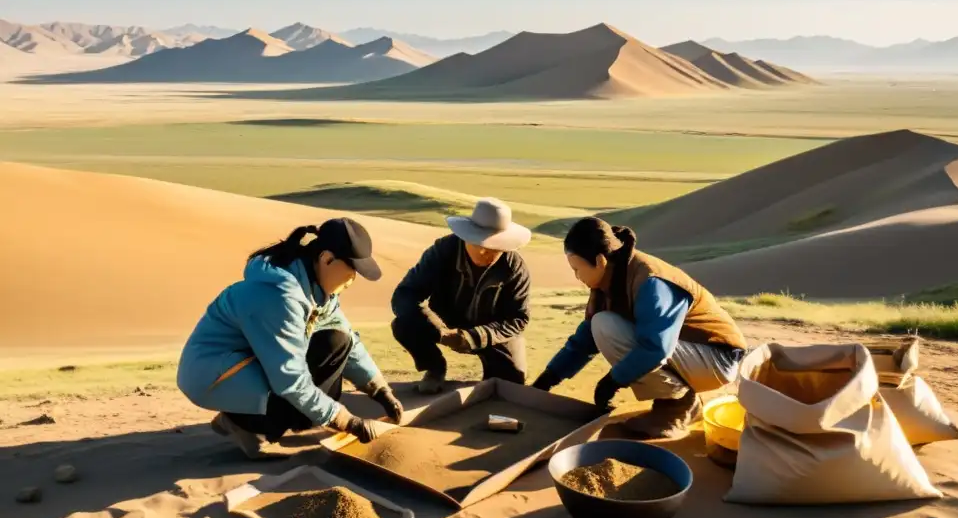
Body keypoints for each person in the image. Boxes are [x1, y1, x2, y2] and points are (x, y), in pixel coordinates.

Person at [177, 218, 404, 459]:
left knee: (338, 344)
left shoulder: (316, 289)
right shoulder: (281, 297)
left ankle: (241, 418)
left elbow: (345, 338)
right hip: (214, 375)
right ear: (327, 259)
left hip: (243, 365)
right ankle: (246, 426)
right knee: (303, 405)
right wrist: (346, 420)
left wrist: (379, 390)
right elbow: (290, 379)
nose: (352, 280)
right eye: (352, 271)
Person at [532, 217, 747, 439]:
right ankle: (678, 400)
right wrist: (549, 377)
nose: (577, 277)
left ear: (600, 261)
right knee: (601, 324)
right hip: (691, 355)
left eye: (577, 269)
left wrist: (613, 381)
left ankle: (678, 407)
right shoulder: (609, 281)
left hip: (719, 358)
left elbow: (656, 348)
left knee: (606, 326)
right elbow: (585, 340)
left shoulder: (650, 281)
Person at [392, 198, 532, 394]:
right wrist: (437, 327)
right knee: (404, 325)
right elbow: (404, 294)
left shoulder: (514, 267)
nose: (484, 250)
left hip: (490, 332)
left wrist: (473, 337)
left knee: (512, 384)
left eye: (493, 246)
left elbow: (518, 319)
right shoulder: (442, 251)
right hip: (443, 322)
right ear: (465, 236)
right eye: (478, 242)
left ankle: (492, 378)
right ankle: (434, 368)